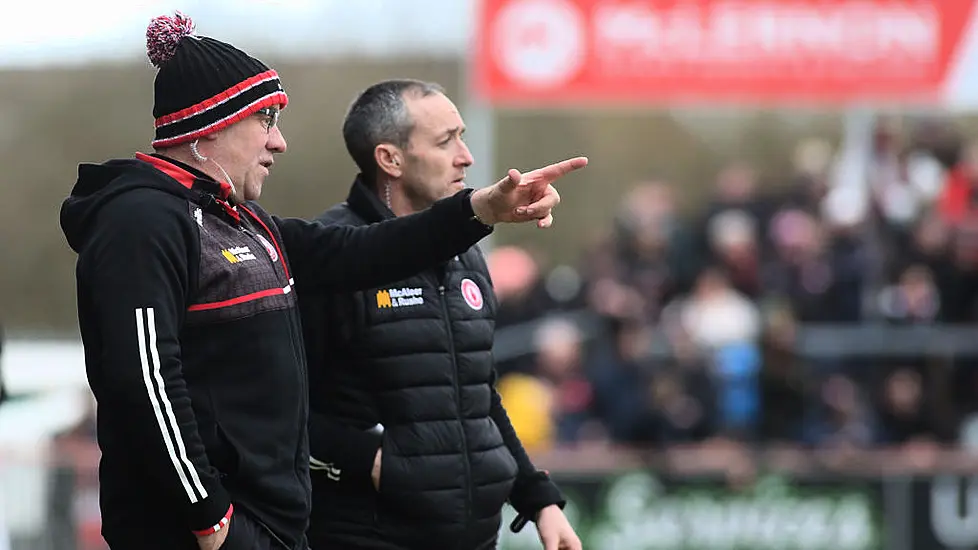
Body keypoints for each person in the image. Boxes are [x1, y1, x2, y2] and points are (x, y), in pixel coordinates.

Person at [58, 14, 586, 550]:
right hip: (214, 532)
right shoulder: (142, 221)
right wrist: (210, 517)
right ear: (212, 125)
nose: (279, 142)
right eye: (266, 119)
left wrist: (482, 209)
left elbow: (364, 252)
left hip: (277, 528)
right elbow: (145, 382)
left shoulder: (245, 221)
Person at [299, 80, 582, 550]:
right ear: (390, 159)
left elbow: (476, 395)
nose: (466, 156)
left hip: (473, 536)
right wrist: (369, 459)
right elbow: (279, 408)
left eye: (463, 136)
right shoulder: (329, 258)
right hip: (366, 534)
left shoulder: (467, 256)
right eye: (445, 140)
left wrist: (538, 499)